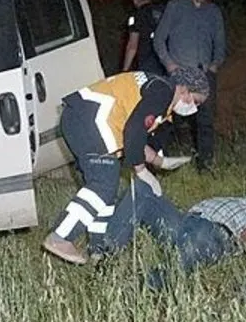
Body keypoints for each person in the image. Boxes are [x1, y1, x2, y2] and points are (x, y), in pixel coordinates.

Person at [41, 67, 212, 265]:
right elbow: (133, 130)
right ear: (184, 89)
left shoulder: (158, 91)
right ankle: (61, 237)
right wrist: (141, 170)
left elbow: (135, 136)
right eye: (195, 101)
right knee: (103, 184)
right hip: (89, 120)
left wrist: (159, 161)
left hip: (81, 118)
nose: (194, 108)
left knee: (107, 188)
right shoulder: (163, 92)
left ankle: (98, 250)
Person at [95, 179, 246, 288]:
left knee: (191, 248)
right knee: (140, 190)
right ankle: (108, 258)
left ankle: (134, 286)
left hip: (214, 233)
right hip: (188, 224)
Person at [152, 0, 227, 171]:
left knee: (206, 120)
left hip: (204, 73)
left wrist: (215, 64)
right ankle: (163, 160)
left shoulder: (213, 11)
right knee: (171, 117)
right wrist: (169, 64)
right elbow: (159, 39)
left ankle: (205, 164)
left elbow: (220, 41)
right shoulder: (175, 7)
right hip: (179, 72)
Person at [121, 0, 166, 74]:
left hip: (147, 63)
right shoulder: (164, 11)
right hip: (166, 62)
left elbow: (132, 46)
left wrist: (125, 69)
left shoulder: (135, 16)